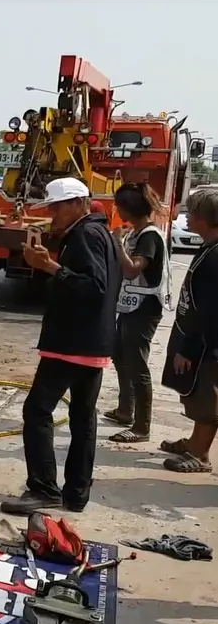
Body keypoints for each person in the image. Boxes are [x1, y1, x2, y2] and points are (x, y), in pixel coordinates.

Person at [1, 177, 119, 514]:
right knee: (83, 417)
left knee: (37, 411)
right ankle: (76, 493)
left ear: (77, 203)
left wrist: (50, 266)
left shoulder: (85, 235)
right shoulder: (101, 233)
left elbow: (94, 288)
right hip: (92, 343)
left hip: (71, 342)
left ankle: (43, 488)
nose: (52, 214)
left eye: (56, 207)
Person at [104, 183, 171, 443]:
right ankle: (125, 409)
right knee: (120, 355)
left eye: (118, 205)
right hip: (130, 305)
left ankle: (142, 427)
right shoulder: (136, 232)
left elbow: (133, 269)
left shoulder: (149, 236)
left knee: (137, 363)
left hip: (145, 308)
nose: (116, 209)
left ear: (127, 208)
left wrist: (117, 243)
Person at [160, 188, 218, 473]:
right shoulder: (208, 247)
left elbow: (210, 310)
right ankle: (195, 442)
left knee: (207, 397)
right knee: (196, 393)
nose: (187, 219)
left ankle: (201, 455)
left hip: (209, 343)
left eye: (191, 213)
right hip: (200, 338)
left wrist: (190, 348)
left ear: (205, 218)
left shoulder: (216, 255)